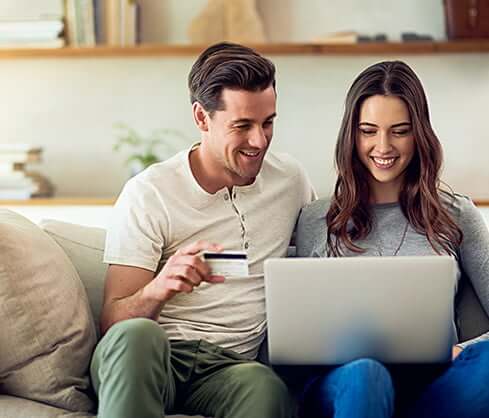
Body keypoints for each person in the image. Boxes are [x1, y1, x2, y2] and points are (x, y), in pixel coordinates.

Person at [90, 42, 315, 418]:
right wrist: (159, 288)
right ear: (201, 117)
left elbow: (323, 250)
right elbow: (113, 323)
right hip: (153, 356)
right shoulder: (150, 193)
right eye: (242, 126)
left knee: (265, 386)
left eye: (268, 122)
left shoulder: (289, 180)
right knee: (137, 336)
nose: (259, 141)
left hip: (229, 370)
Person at [295, 60, 489, 418]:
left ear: (419, 134)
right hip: (349, 382)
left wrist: (464, 349)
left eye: (399, 131)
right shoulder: (316, 219)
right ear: (351, 135)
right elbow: (303, 335)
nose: (383, 146)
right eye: (368, 130)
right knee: (368, 374)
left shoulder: (456, 214)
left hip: (434, 383)